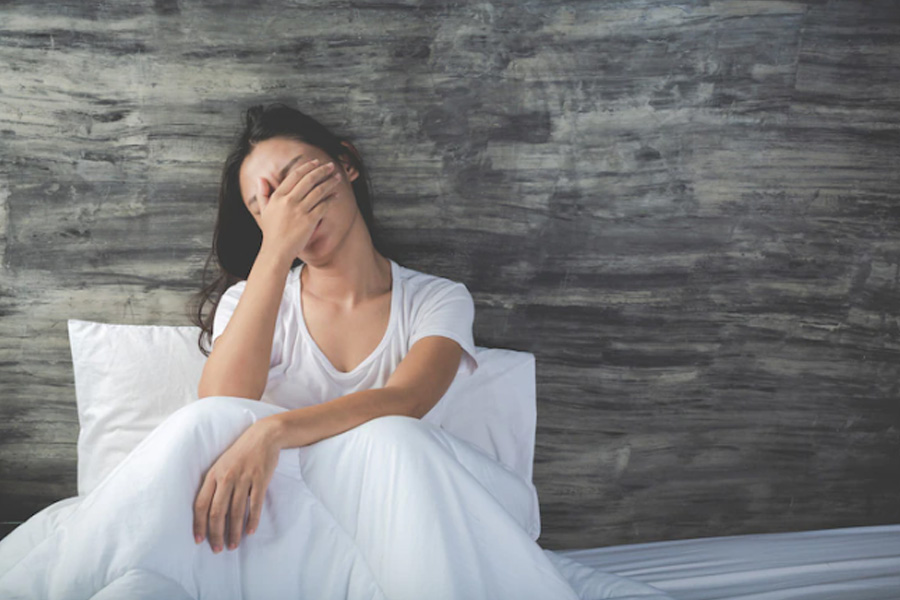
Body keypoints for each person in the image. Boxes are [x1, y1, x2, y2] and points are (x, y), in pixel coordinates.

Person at [0, 103, 588, 599]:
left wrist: (273, 432)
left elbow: (405, 401)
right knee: (210, 424)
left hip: (386, 513)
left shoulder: (437, 299)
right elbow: (221, 403)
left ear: (345, 163)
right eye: (265, 205)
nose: (287, 207)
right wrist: (277, 251)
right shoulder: (255, 299)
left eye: (294, 180)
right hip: (277, 527)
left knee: (390, 436)